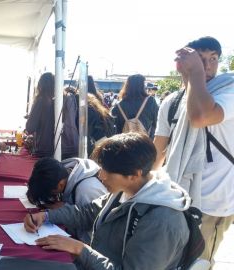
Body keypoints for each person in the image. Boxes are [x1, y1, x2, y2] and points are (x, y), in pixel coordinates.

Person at [24, 133, 191, 269]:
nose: (101, 176)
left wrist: (80, 249)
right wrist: (46, 216)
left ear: (134, 174)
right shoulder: (126, 191)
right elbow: (86, 213)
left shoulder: (161, 222)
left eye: (108, 172)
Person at [153, 36, 234, 266]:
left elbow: (201, 116)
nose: (207, 66)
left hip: (214, 204)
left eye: (213, 59)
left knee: (198, 263)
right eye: (200, 59)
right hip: (178, 198)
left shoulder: (228, 91)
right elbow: (158, 152)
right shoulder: (172, 101)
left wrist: (195, 74)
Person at [26, 157, 107, 243]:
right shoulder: (61, 172)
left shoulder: (87, 191)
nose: (53, 197)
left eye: (52, 194)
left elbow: (93, 232)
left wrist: (64, 210)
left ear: (60, 185)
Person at [111, 74, 159, 138]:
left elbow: (115, 128)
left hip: (125, 144)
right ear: (142, 85)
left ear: (127, 86)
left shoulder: (119, 105)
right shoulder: (150, 101)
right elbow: (157, 122)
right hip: (146, 143)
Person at [25, 72, 55, 157]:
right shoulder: (57, 100)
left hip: (42, 147)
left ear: (40, 85)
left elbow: (30, 127)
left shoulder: (41, 100)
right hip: (55, 146)